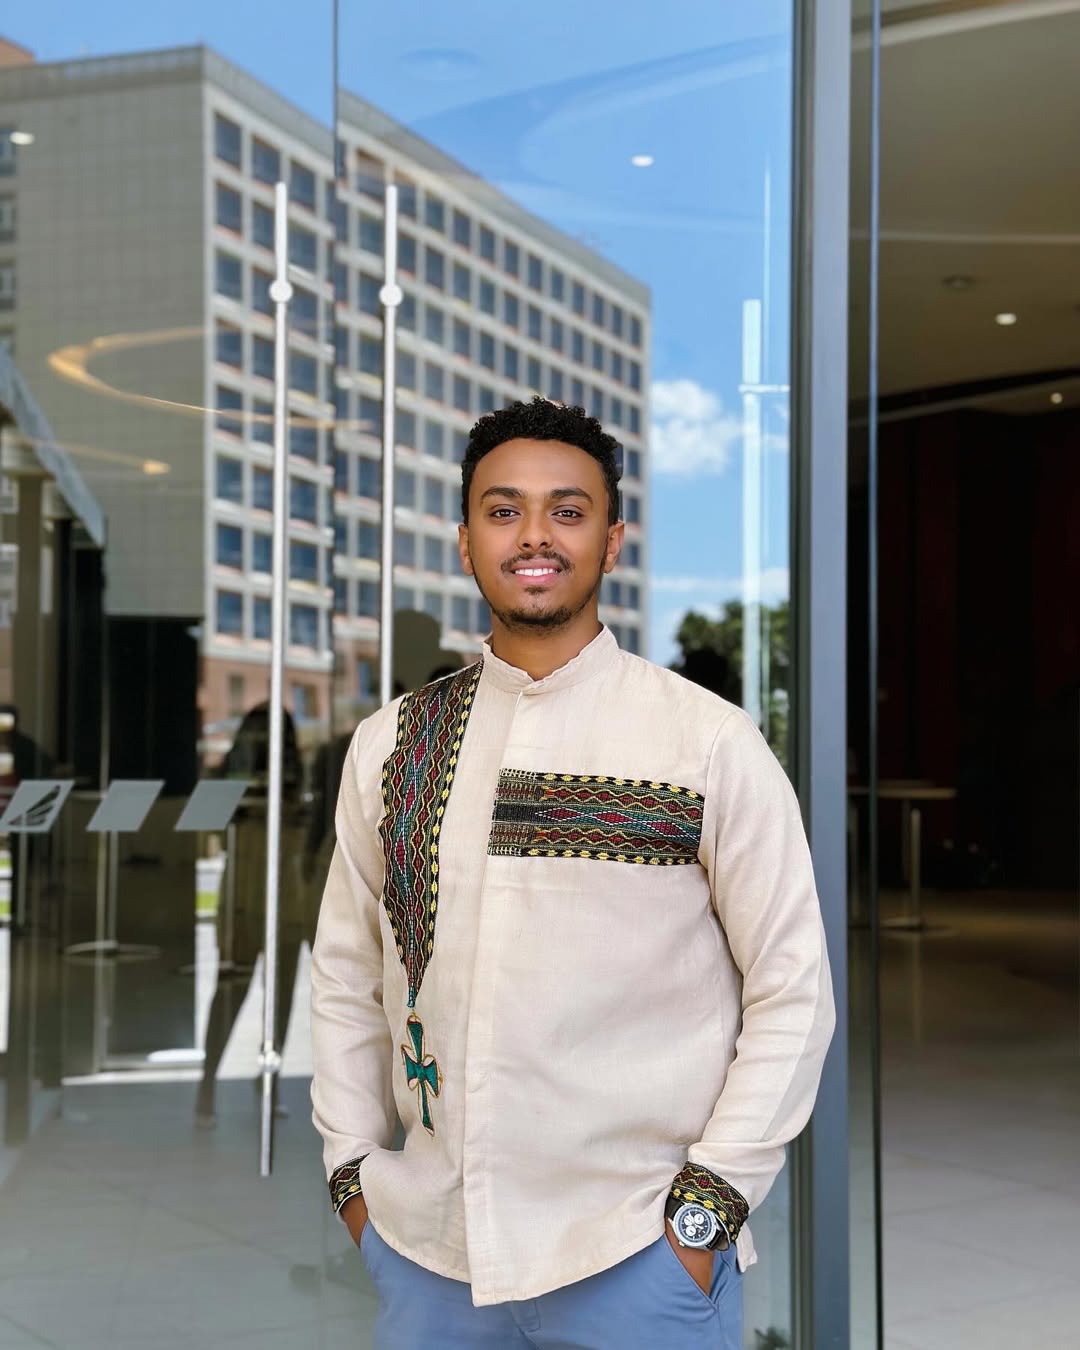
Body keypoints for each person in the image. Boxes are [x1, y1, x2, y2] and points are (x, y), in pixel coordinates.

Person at [310, 398, 835, 1349]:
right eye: (504, 510)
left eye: (568, 508)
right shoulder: (395, 745)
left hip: (635, 1253)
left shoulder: (705, 742)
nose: (535, 536)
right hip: (431, 1261)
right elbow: (348, 975)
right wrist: (351, 1176)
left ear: (612, 540)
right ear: (466, 540)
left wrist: (703, 1217)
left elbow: (794, 990)